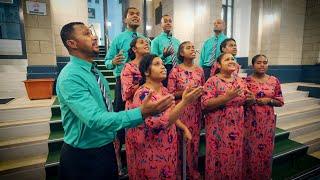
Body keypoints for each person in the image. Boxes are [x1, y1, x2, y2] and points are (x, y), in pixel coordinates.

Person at [57, 22, 174, 180]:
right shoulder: (70, 77)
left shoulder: (94, 71)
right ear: (72, 43)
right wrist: (142, 112)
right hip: (84, 155)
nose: (94, 37)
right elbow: (95, 119)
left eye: (92, 33)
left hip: (105, 148)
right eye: (86, 34)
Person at [129, 54, 203, 179]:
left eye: (163, 64)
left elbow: (171, 112)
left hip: (167, 145)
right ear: (146, 71)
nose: (163, 67)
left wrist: (183, 127)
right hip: (152, 149)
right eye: (157, 64)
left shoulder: (163, 90)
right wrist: (185, 102)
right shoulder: (143, 94)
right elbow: (163, 123)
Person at [201, 53, 254, 179]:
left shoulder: (240, 81)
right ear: (219, 65)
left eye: (232, 59)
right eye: (227, 59)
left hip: (237, 125)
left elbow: (246, 101)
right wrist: (226, 97)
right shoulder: (212, 81)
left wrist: (251, 99)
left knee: (233, 155)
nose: (231, 61)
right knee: (218, 156)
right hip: (218, 127)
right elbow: (205, 104)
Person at [104, 7, 144, 173]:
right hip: (124, 82)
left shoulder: (143, 39)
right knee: (121, 119)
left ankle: (138, 154)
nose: (135, 16)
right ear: (125, 20)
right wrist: (112, 62)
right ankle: (119, 159)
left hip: (143, 81)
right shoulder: (119, 38)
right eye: (131, 14)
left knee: (141, 116)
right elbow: (106, 61)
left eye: (138, 14)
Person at [167, 41, 205, 179]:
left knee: (193, 142)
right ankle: (178, 173)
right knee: (179, 142)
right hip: (180, 111)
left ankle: (192, 171)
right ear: (181, 53)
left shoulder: (199, 70)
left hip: (195, 111)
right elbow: (170, 93)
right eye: (188, 48)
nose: (192, 49)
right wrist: (187, 93)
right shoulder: (175, 70)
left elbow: (203, 90)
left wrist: (199, 92)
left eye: (193, 47)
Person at [244, 54, 284, 179]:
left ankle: (264, 175)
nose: (262, 65)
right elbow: (242, 101)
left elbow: (280, 101)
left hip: (267, 122)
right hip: (250, 120)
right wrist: (250, 101)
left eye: (265, 62)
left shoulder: (274, 80)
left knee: (265, 150)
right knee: (250, 149)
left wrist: (269, 100)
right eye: (259, 62)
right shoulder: (246, 81)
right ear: (252, 65)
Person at [120, 37, 149, 177]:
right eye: (142, 42)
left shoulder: (150, 65)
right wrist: (144, 80)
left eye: (147, 42)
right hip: (135, 110)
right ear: (134, 49)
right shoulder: (129, 67)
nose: (146, 44)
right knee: (137, 147)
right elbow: (126, 93)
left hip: (151, 109)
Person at [151, 14, 180, 87]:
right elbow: (153, 60)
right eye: (165, 21)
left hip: (178, 69)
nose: (168, 23)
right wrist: (163, 56)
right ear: (161, 24)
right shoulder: (156, 41)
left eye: (170, 21)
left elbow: (180, 57)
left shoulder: (177, 41)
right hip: (164, 69)